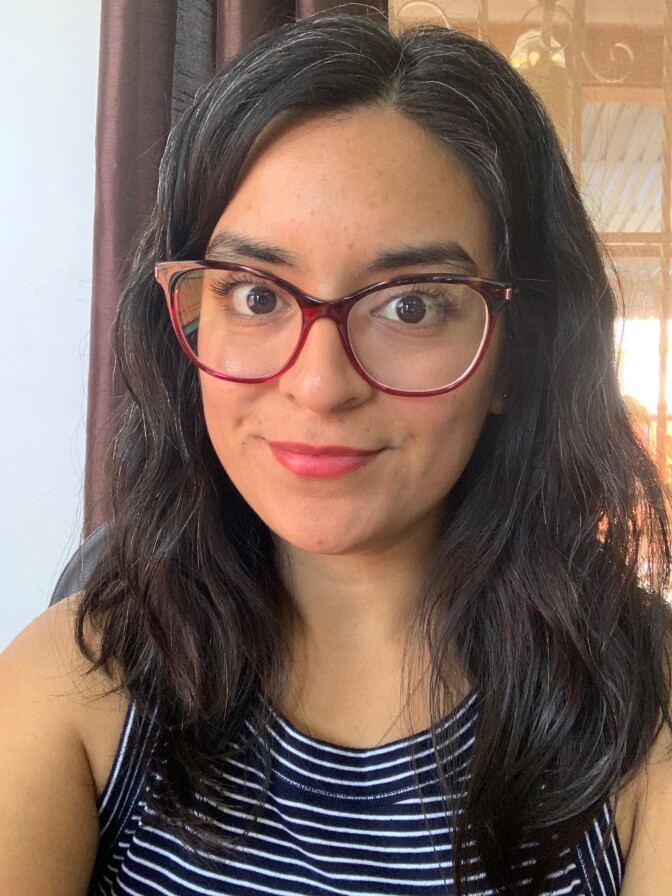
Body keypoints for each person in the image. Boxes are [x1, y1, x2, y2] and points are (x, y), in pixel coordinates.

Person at [1, 13, 671, 896]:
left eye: (411, 307)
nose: (319, 386)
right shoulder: (79, 681)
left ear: (518, 350)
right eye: (253, 293)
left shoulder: (644, 711)